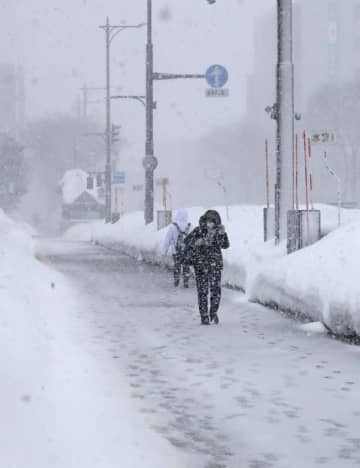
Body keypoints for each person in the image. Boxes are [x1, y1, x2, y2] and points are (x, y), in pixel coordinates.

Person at [183, 210, 230, 325]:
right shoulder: (198, 231)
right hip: (200, 265)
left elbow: (225, 245)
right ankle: (204, 315)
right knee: (202, 291)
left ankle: (213, 312)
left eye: (212, 222)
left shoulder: (219, 232)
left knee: (216, 291)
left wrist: (222, 234)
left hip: (215, 266)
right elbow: (187, 241)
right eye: (208, 222)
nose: (210, 224)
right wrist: (197, 242)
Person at [162, 209, 192, 288]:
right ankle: (186, 282)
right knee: (186, 266)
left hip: (176, 252)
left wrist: (164, 252)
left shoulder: (173, 227)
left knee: (177, 266)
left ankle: (176, 280)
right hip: (186, 252)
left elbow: (167, 240)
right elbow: (193, 240)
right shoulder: (190, 226)